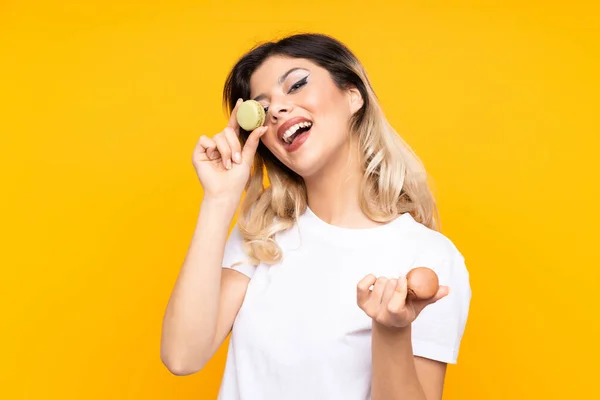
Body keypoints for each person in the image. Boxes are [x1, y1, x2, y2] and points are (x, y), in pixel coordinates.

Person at [160, 33, 472, 400]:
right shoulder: (262, 238)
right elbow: (182, 357)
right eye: (262, 109)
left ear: (353, 95)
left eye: (297, 85)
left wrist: (391, 332)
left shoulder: (429, 255)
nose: (277, 110)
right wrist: (219, 199)